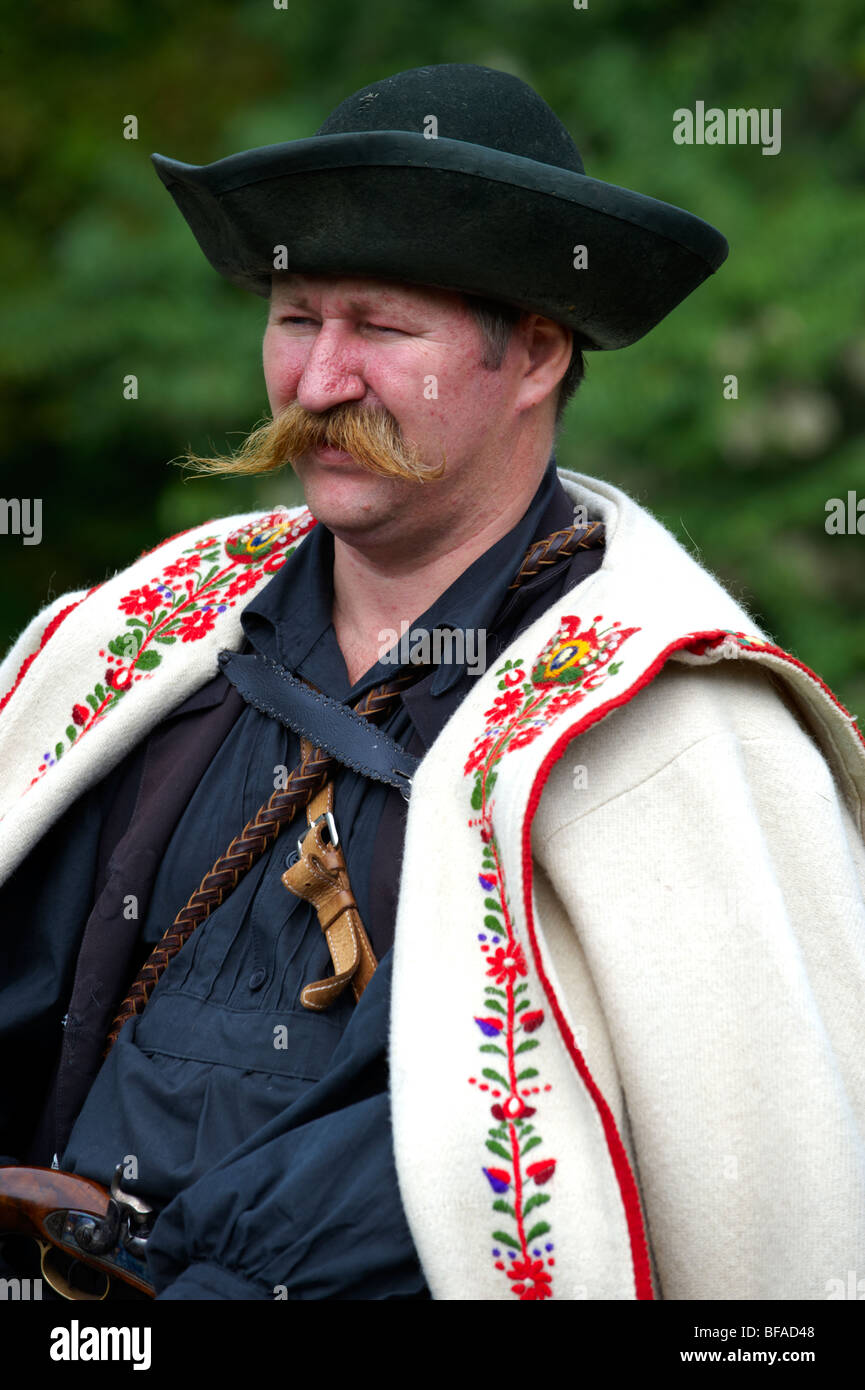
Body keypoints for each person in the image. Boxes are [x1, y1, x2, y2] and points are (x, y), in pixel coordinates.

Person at [1, 62, 863, 1303]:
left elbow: (766, 1210)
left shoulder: (678, 722)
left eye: (381, 329)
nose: (318, 382)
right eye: (296, 320)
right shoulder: (147, 637)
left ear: (535, 356)